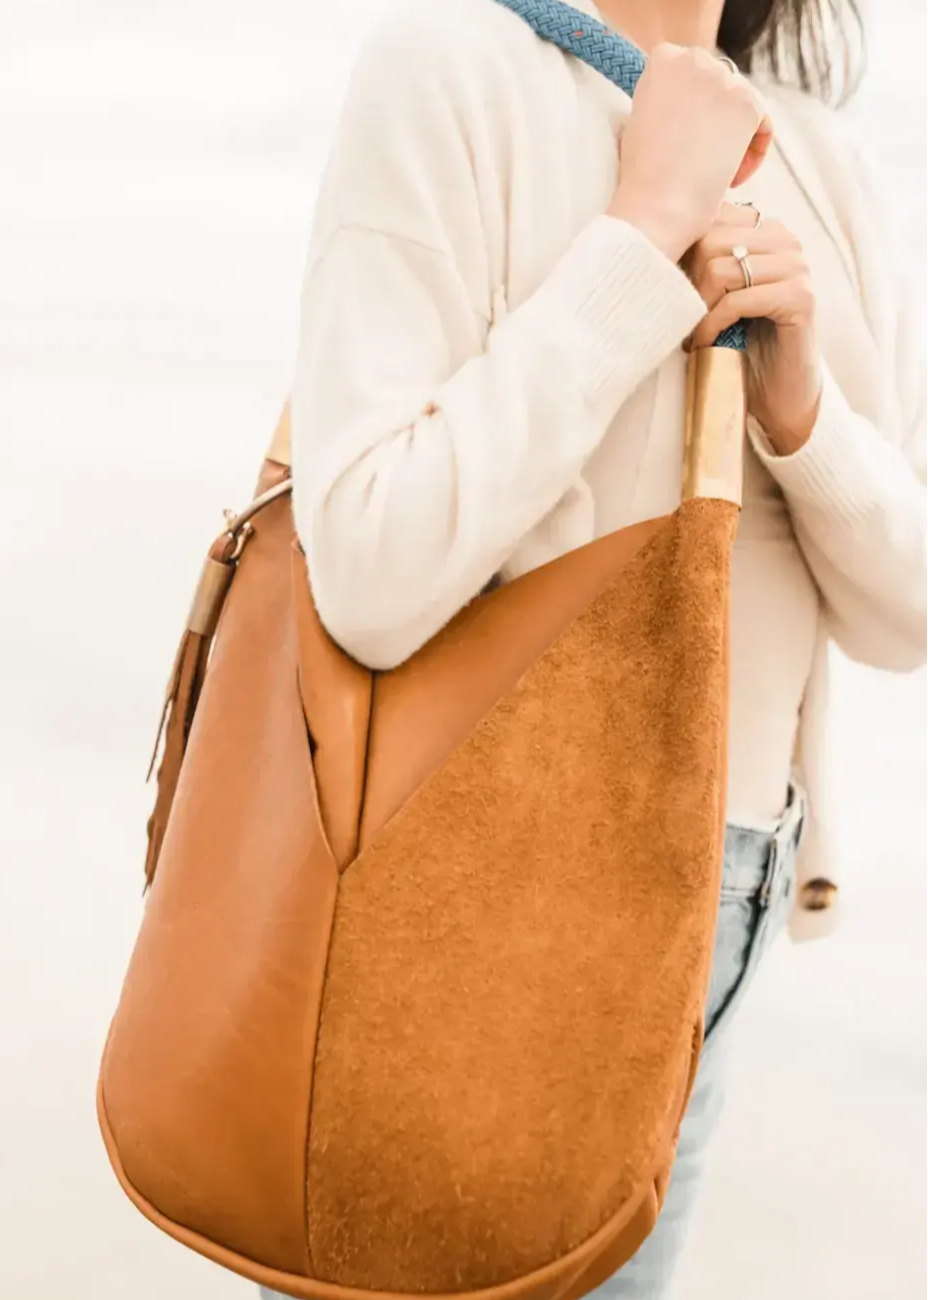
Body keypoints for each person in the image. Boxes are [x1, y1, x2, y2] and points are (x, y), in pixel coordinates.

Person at [267, 0, 927, 1294]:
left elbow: (902, 613)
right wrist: (636, 238)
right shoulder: (448, 72)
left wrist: (799, 416)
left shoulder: (818, 159)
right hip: (465, 889)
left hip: (717, 904)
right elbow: (368, 565)